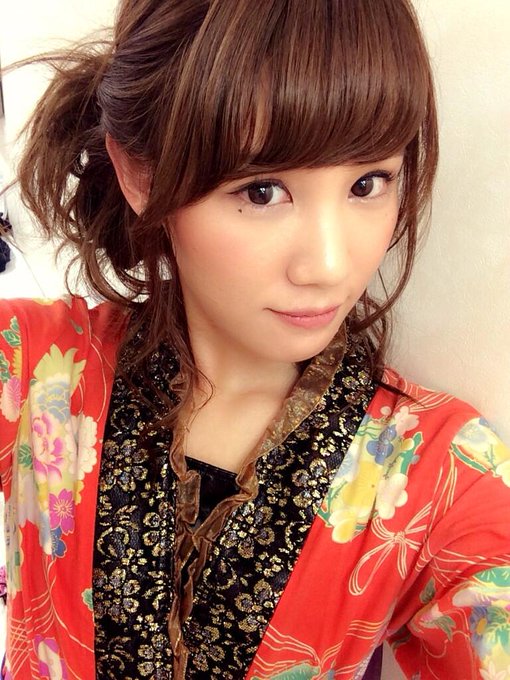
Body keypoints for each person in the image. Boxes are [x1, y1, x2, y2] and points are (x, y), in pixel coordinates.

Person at [0, 0, 509, 678]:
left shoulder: (440, 471)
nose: (329, 265)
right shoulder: (36, 367)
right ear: (141, 177)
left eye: (368, 183)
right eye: (263, 191)